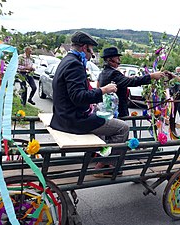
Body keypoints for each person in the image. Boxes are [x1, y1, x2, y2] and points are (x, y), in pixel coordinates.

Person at [50, 31, 130, 176]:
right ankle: (106, 166)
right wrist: (103, 90)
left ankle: (99, 156)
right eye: (91, 50)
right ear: (84, 47)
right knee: (122, 128)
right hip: (74, 120)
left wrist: (94, 96)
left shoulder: (67, 60)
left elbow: (74, 92)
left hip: (62, 117)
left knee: (104, 121)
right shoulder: (75, 65)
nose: (91, 55)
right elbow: (78, 97)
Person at [98, 46, 165, 117]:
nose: (119, 60)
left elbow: (123, 80)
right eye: (117, 58)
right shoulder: (113, 73)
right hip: (117, 111)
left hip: (109, 110)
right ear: (110, 60)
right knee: (123, 127)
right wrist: (151, 76)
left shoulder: (103, 73)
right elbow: (131, 81)